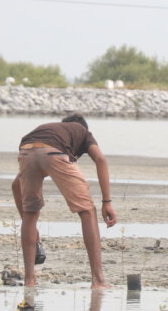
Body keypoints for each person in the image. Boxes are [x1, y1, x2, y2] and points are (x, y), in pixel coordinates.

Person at [11, 113, 117, 288]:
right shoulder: (83, 131)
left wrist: (26, 219)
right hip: (54, 152)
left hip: (26, 150)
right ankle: (98, 280)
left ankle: (30, 280)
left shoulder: (51, 130)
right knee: (87, 210)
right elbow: (100, 159)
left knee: (31, 214)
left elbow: (16, 186)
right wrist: (107, 201)